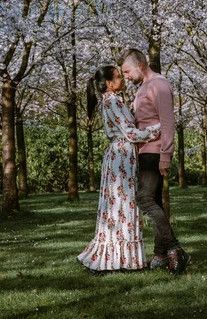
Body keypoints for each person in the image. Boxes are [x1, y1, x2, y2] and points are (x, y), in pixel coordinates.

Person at [77, 65, 161, 273]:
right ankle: (117, 260)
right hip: (122, 155)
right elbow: (131, 134)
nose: (123, 79)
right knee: (122, 204)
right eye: (118, 77)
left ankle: (119, 259)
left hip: (121, 154)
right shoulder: (113, 101)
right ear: (109, 83)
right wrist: (157, 129)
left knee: (120, 204)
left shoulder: (112, 101)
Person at [119, 48, 191, 275]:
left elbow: (167, 122)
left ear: (140, 65)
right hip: (144, 152)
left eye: (127, 71)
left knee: (144, 199)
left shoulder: (159, 84)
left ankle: (175, 248)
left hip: (155, 152)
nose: (126, 77)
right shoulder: (142, 88)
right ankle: (160, 253)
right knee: (156, 202)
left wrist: (166, 155)